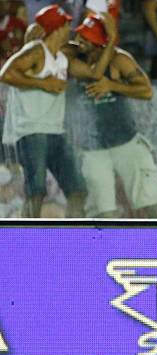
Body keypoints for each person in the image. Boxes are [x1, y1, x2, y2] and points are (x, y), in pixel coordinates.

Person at [65, 14, 157, 218]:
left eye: (87, 38)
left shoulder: (119, 59)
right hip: (92, 146)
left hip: (125, 138)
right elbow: (92, 74)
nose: (80, 42)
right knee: (102, 209)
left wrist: (112, 85)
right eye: (81, 36)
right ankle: (106, 249)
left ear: (99, 42)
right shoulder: (72, 58)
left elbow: (146, 91)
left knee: (149, 198)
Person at [0, 5, 87, 217]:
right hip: (32, 130)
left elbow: (83, 60)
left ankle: (73, 236)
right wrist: (43, 84)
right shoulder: (36, 51)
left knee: (78, 189)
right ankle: (29, 237)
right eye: (66, 24)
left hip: (55, 130)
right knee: (35, 190)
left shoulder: (60, 55)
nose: (69, 27)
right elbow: (6, 73)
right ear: (57, 28)